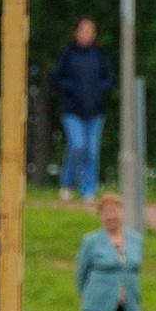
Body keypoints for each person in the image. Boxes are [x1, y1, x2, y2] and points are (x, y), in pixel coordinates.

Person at [50, 17, 116, 204]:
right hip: (72, 110)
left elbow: (109, 78)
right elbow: (56, 78)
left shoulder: (99, 55)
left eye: (90, 31)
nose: (87, 34)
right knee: (78, 144)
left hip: (95, 111)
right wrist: (72, 89)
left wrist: (99, 89)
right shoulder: (67, 54)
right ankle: (67, 184)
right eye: (83, 30)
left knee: (92, 150)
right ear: (76, 32)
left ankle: (88, 190)